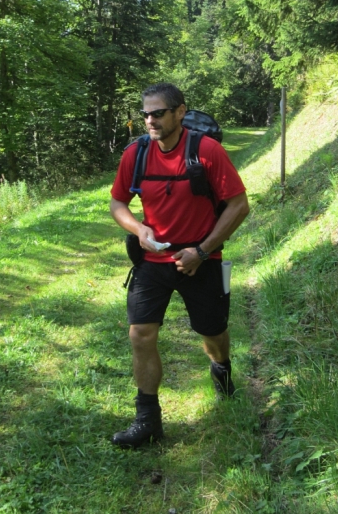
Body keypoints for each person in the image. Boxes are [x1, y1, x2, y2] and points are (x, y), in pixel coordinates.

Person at [108, 83, 250, 449]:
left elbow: (238, 205)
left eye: (158, 113)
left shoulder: (206, 151)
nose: (150, 120)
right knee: (140, 334)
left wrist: (201, 252)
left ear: (180, 112)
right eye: (145, 114)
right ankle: (147, 419)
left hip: (202, 259)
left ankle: (221, 370)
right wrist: (139, 229)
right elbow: (117, 204)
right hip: (152, 260)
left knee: (213, 333)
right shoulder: (136, 155)